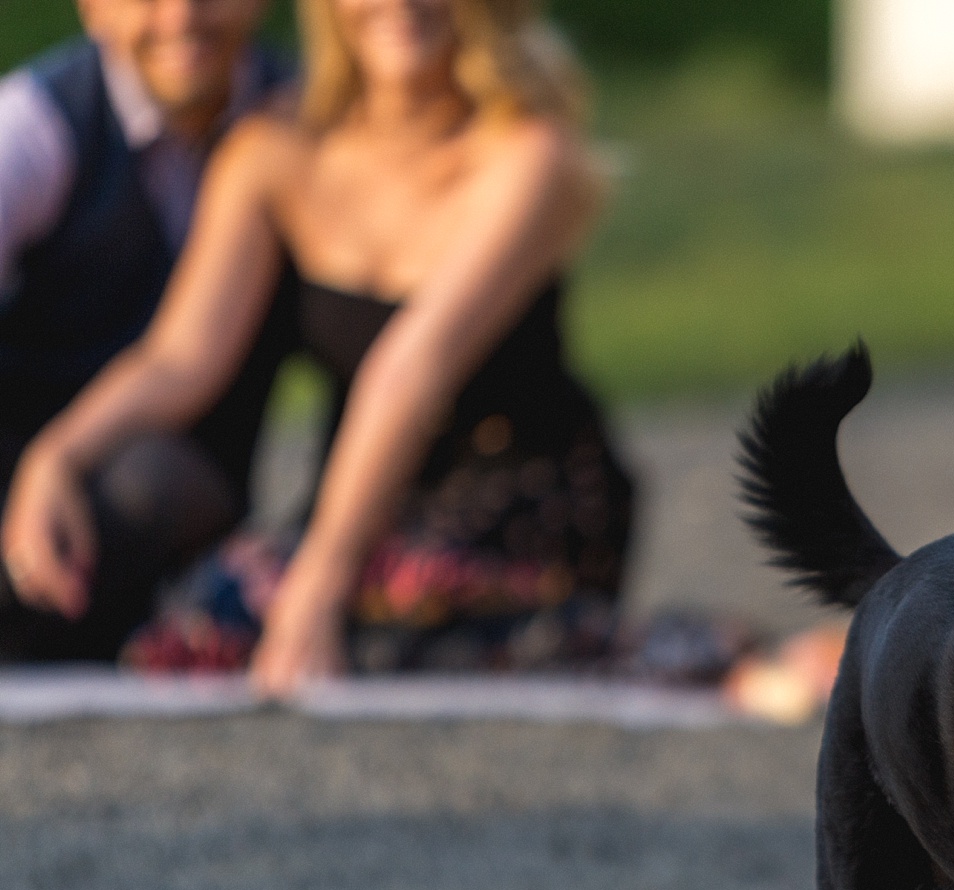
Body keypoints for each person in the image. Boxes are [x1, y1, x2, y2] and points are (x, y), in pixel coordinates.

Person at [2, 0, 633, 692]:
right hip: (358, 503)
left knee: (372, 635)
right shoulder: (272, 147)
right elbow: (180, 356)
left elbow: (409, 372)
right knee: (201, 623)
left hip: (518, 498)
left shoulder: (531, 156)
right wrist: (55, 455)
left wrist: (322, 582)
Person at [0, 0, 293, 659]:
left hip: (180, 487)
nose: (182, 16)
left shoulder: (294, 129)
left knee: (151, 485)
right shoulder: (35, 125)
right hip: (15, 459)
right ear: (93, 8)